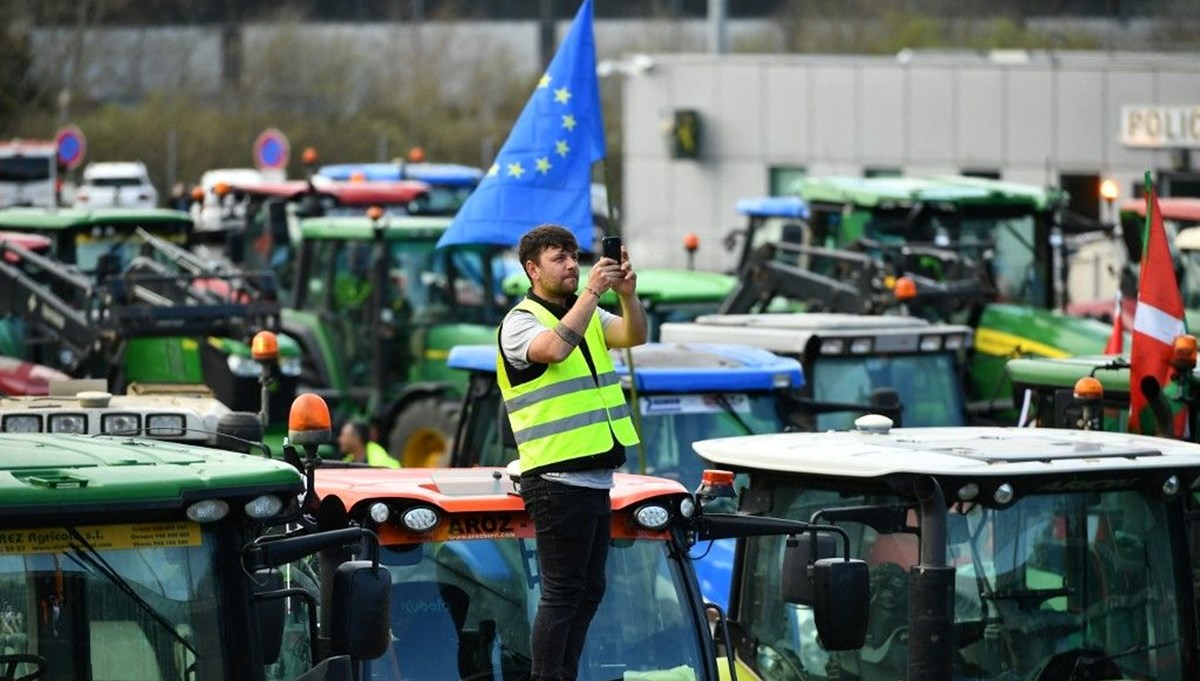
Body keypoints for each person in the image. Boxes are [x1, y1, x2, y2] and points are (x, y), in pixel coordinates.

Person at [497, 224, 647, 681]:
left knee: (589, 590)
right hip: (555, 480)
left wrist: (626, 295)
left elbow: (635, 335)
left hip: (594, 478)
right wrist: (592, 294)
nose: (571, 265)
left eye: (574, 257)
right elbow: (555, 349)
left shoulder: (588, 315)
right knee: (562, 593)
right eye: (558, 258)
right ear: (532, 269)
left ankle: (564, 673)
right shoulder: (521, 321)